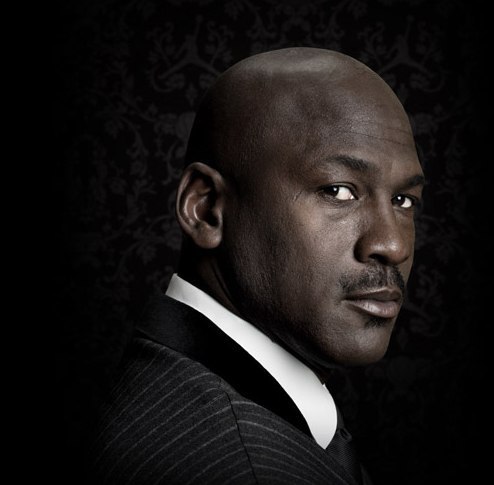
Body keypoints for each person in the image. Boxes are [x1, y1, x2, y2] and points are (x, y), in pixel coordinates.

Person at [86, 47, 425, 485]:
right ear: (205, 209)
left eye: (403, 200)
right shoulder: (244, 469)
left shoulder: (181, 386)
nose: (392, 245)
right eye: (338, 191)